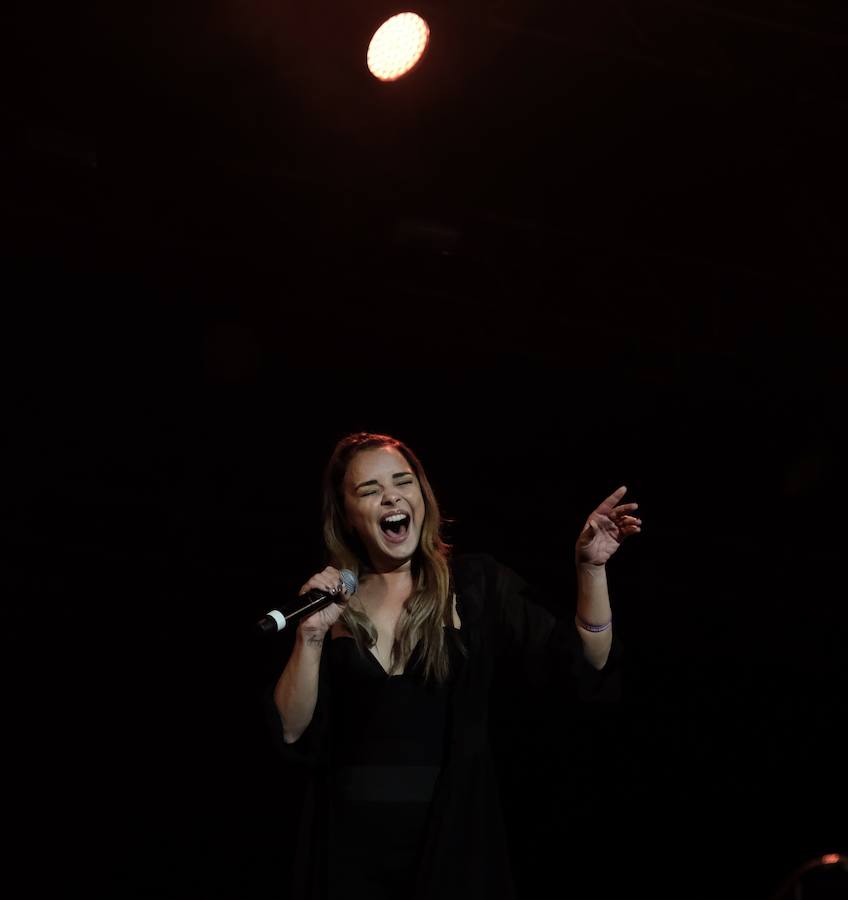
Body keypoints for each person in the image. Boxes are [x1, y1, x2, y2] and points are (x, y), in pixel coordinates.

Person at [265, 431, 642, 899]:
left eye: (402, 482)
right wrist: (312, 635)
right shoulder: (333, 603)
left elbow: (587, 665)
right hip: (347, 849)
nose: (390, 497)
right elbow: (291, 731)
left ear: (422, 495)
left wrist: (590, 570)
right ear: (345, 514)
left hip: (452, 841)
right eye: (369, 490)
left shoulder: (475, 584)